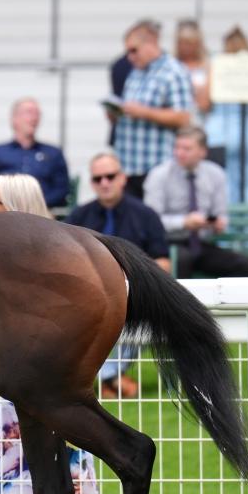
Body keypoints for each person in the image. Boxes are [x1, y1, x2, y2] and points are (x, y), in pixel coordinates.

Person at [0, 174, 108, 494]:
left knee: (47, 477)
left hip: (48, 394)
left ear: (15, 207)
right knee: (17, 483)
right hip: (5, 398)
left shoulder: (59, 264)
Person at [67, 152, 169, 399]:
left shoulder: (146, 215)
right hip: (88, 296)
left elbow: (163, 262)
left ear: (122, 178)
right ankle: (111, 379)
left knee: (143, 315)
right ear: (92, 183)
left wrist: (139, 285)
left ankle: (105, 377)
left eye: (110, 176)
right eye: (98, 178)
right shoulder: (79, 216)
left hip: (134, 295)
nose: (104, 183)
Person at [144, 126, 248, 278]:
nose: (179, 153)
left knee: (244, 265)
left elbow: (220, 213)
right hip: (170, 244)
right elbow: (151, 221)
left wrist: (218, 223)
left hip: (201, 244)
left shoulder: (216, 174)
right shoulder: (159, 175)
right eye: (177, 147)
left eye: (186, 149)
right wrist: (184, 222)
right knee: (182, 260)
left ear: (202, 152)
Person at [113, 19, 195, 200]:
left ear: (151, 43)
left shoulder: (174, 72)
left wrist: (144, 112)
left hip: (155, 165)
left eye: (134, 50)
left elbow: (183, 118)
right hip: (128, 166)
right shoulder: (135, 72)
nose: (130, 57)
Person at [204, 27, 248, 204]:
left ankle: (226, 217)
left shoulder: (217, 65)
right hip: (247, 129)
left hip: (219, 129)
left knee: (223, 179)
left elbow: (204, 102)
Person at [0, 98, 70, 208]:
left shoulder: (53, 153)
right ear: (14, 118)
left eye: (37, 114)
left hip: (42, 212)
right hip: (3, 211)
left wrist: (35, 204)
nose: (35, 117)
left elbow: (62, 189)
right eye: (29, 112)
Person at [175, 19, 211, 117]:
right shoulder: (173, 65)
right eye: (181, 42)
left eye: (189, 43)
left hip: (201, 116)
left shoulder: (206, 66)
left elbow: (205, 102)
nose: (185, 47)